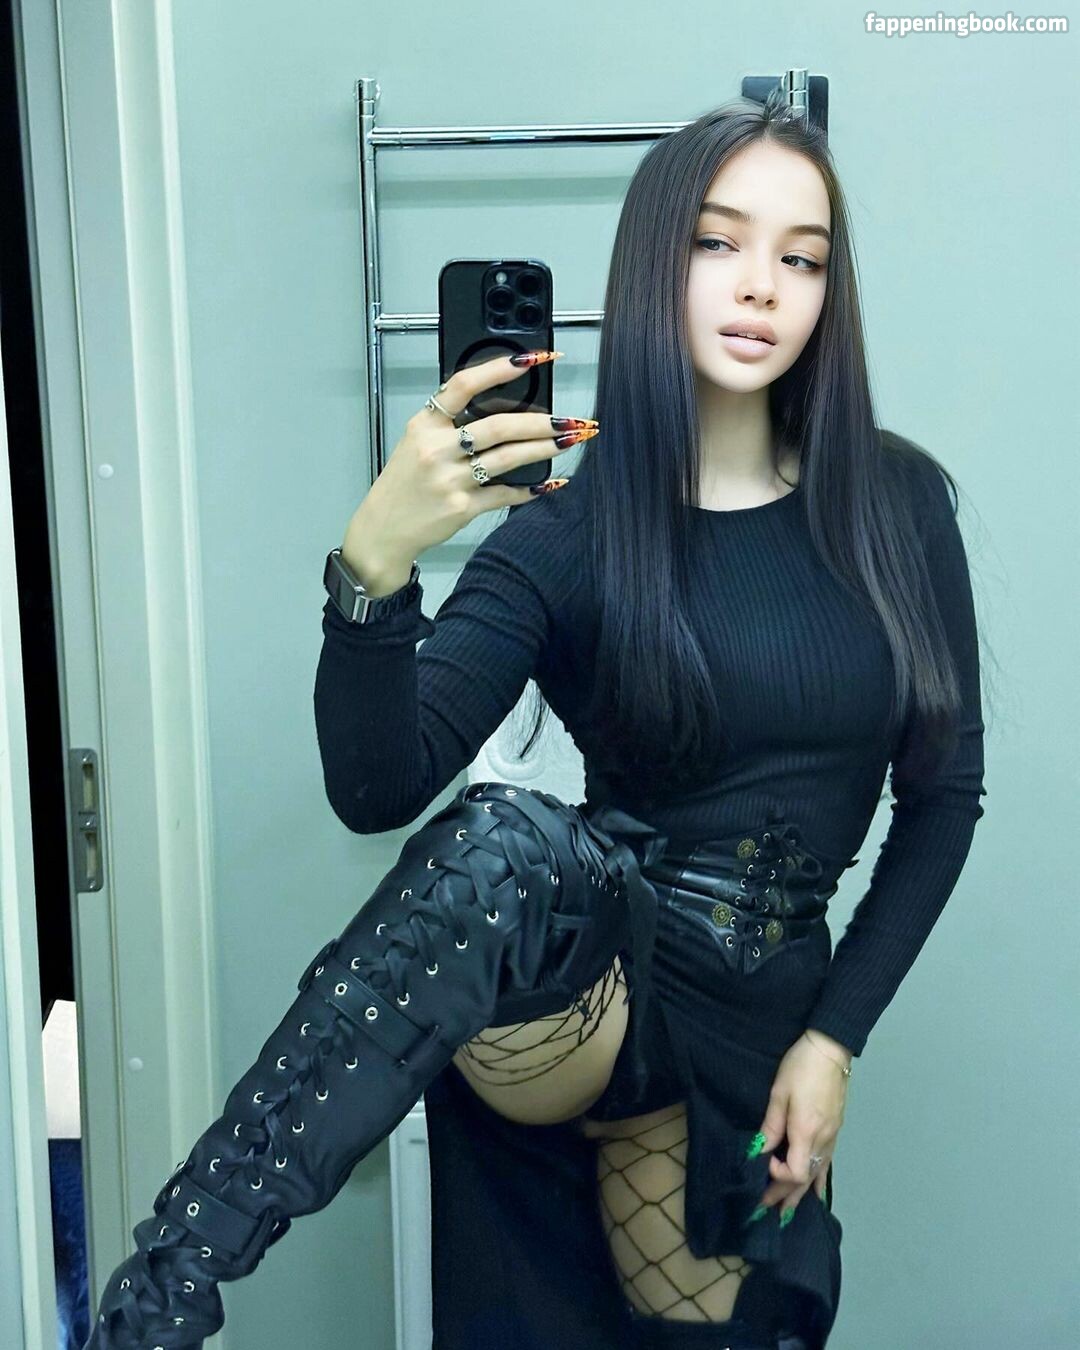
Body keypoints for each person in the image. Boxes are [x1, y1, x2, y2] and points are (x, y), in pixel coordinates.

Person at [83, 90, 986, 1350]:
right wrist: (373, 570)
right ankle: (163, 1292)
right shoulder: (566, 531)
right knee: (503, 841)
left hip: (761, 1023)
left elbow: (943, 802)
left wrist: (834, 1040)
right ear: (653, 264)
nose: (761, 286)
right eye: (718, 242)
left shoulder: (899, 506)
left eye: (802, 259)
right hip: (589, 992)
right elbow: (378, 785)